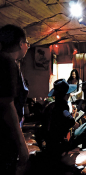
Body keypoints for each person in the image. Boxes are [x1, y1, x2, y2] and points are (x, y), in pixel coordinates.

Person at [0, 24, 30, 175]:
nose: (27, 47)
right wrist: (21, 144)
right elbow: (7, 105)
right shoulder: (7, 63)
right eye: (27, 44)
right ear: (20, 44)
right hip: (5, 136)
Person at [44, 79, 86, 156]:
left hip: (51, 144)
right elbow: (74, 124)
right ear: (66, 95)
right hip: (62, 145)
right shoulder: (62, 108)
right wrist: (73, 120)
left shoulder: (52, 106)